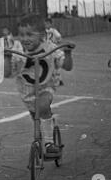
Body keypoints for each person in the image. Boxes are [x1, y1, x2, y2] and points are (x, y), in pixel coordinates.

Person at [11, 14, 74, 154]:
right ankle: (45, 133)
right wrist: (6, 57)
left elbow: (67, 67)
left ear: (42, 35)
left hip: (46, 86)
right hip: (27, 91)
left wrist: (68, 53)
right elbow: (8, 73)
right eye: (21, 35)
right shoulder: (18, 49)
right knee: (37, 118)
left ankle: (49, 144)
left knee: (43, 106)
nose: (24, 39)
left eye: (29, 35)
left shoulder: (50, 47)